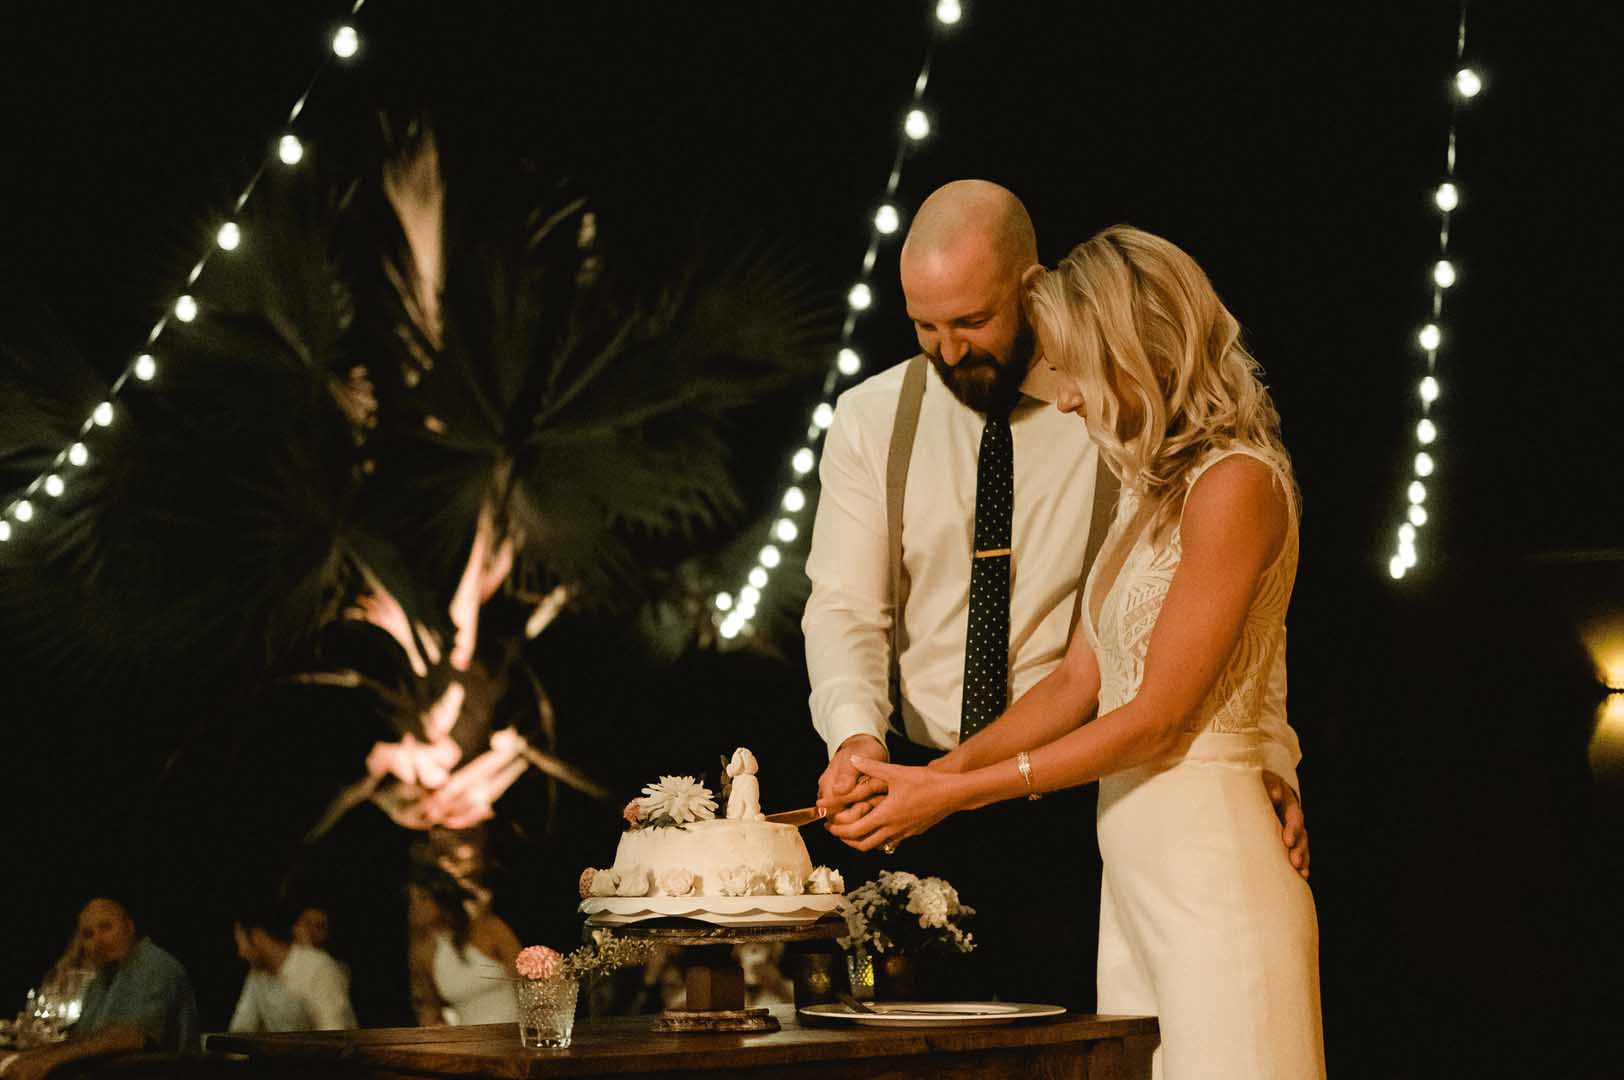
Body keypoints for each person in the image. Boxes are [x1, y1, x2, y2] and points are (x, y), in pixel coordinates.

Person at [831, 225, 1325, 1076]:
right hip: (1135, 880)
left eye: (1072, 370)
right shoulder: (1148, 495)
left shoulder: (1237, 484)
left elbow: (1156, 719)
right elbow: (1075, 681)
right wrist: (930, 782)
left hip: (1216, 878)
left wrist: (959, 795)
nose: (1062, 399)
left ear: (1138, 354)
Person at [0, 898, 199, 1080]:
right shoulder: (103, 979)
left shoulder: (153, 965)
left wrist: (46, 1062)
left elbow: (130, 1037)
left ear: (129, 927)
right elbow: (81, 1040)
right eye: (88, 934)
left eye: (106, 927)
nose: (98, 941)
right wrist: (21, 1057)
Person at [406, 865, 520, 1025]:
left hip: (515, 1034)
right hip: (470, 1042)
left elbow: (526, 982)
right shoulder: (422, 952)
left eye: (422, 898)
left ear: (440, 897)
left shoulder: (489, 927)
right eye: (411, 900)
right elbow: (430, 1010)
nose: (415, 907)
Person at [229, 903, 357, 1032]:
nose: (241, 952)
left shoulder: (318, 966)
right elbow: (241, 1028)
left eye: (241, 942)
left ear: (258, 937)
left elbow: (333, 1032)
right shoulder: (256, 974)